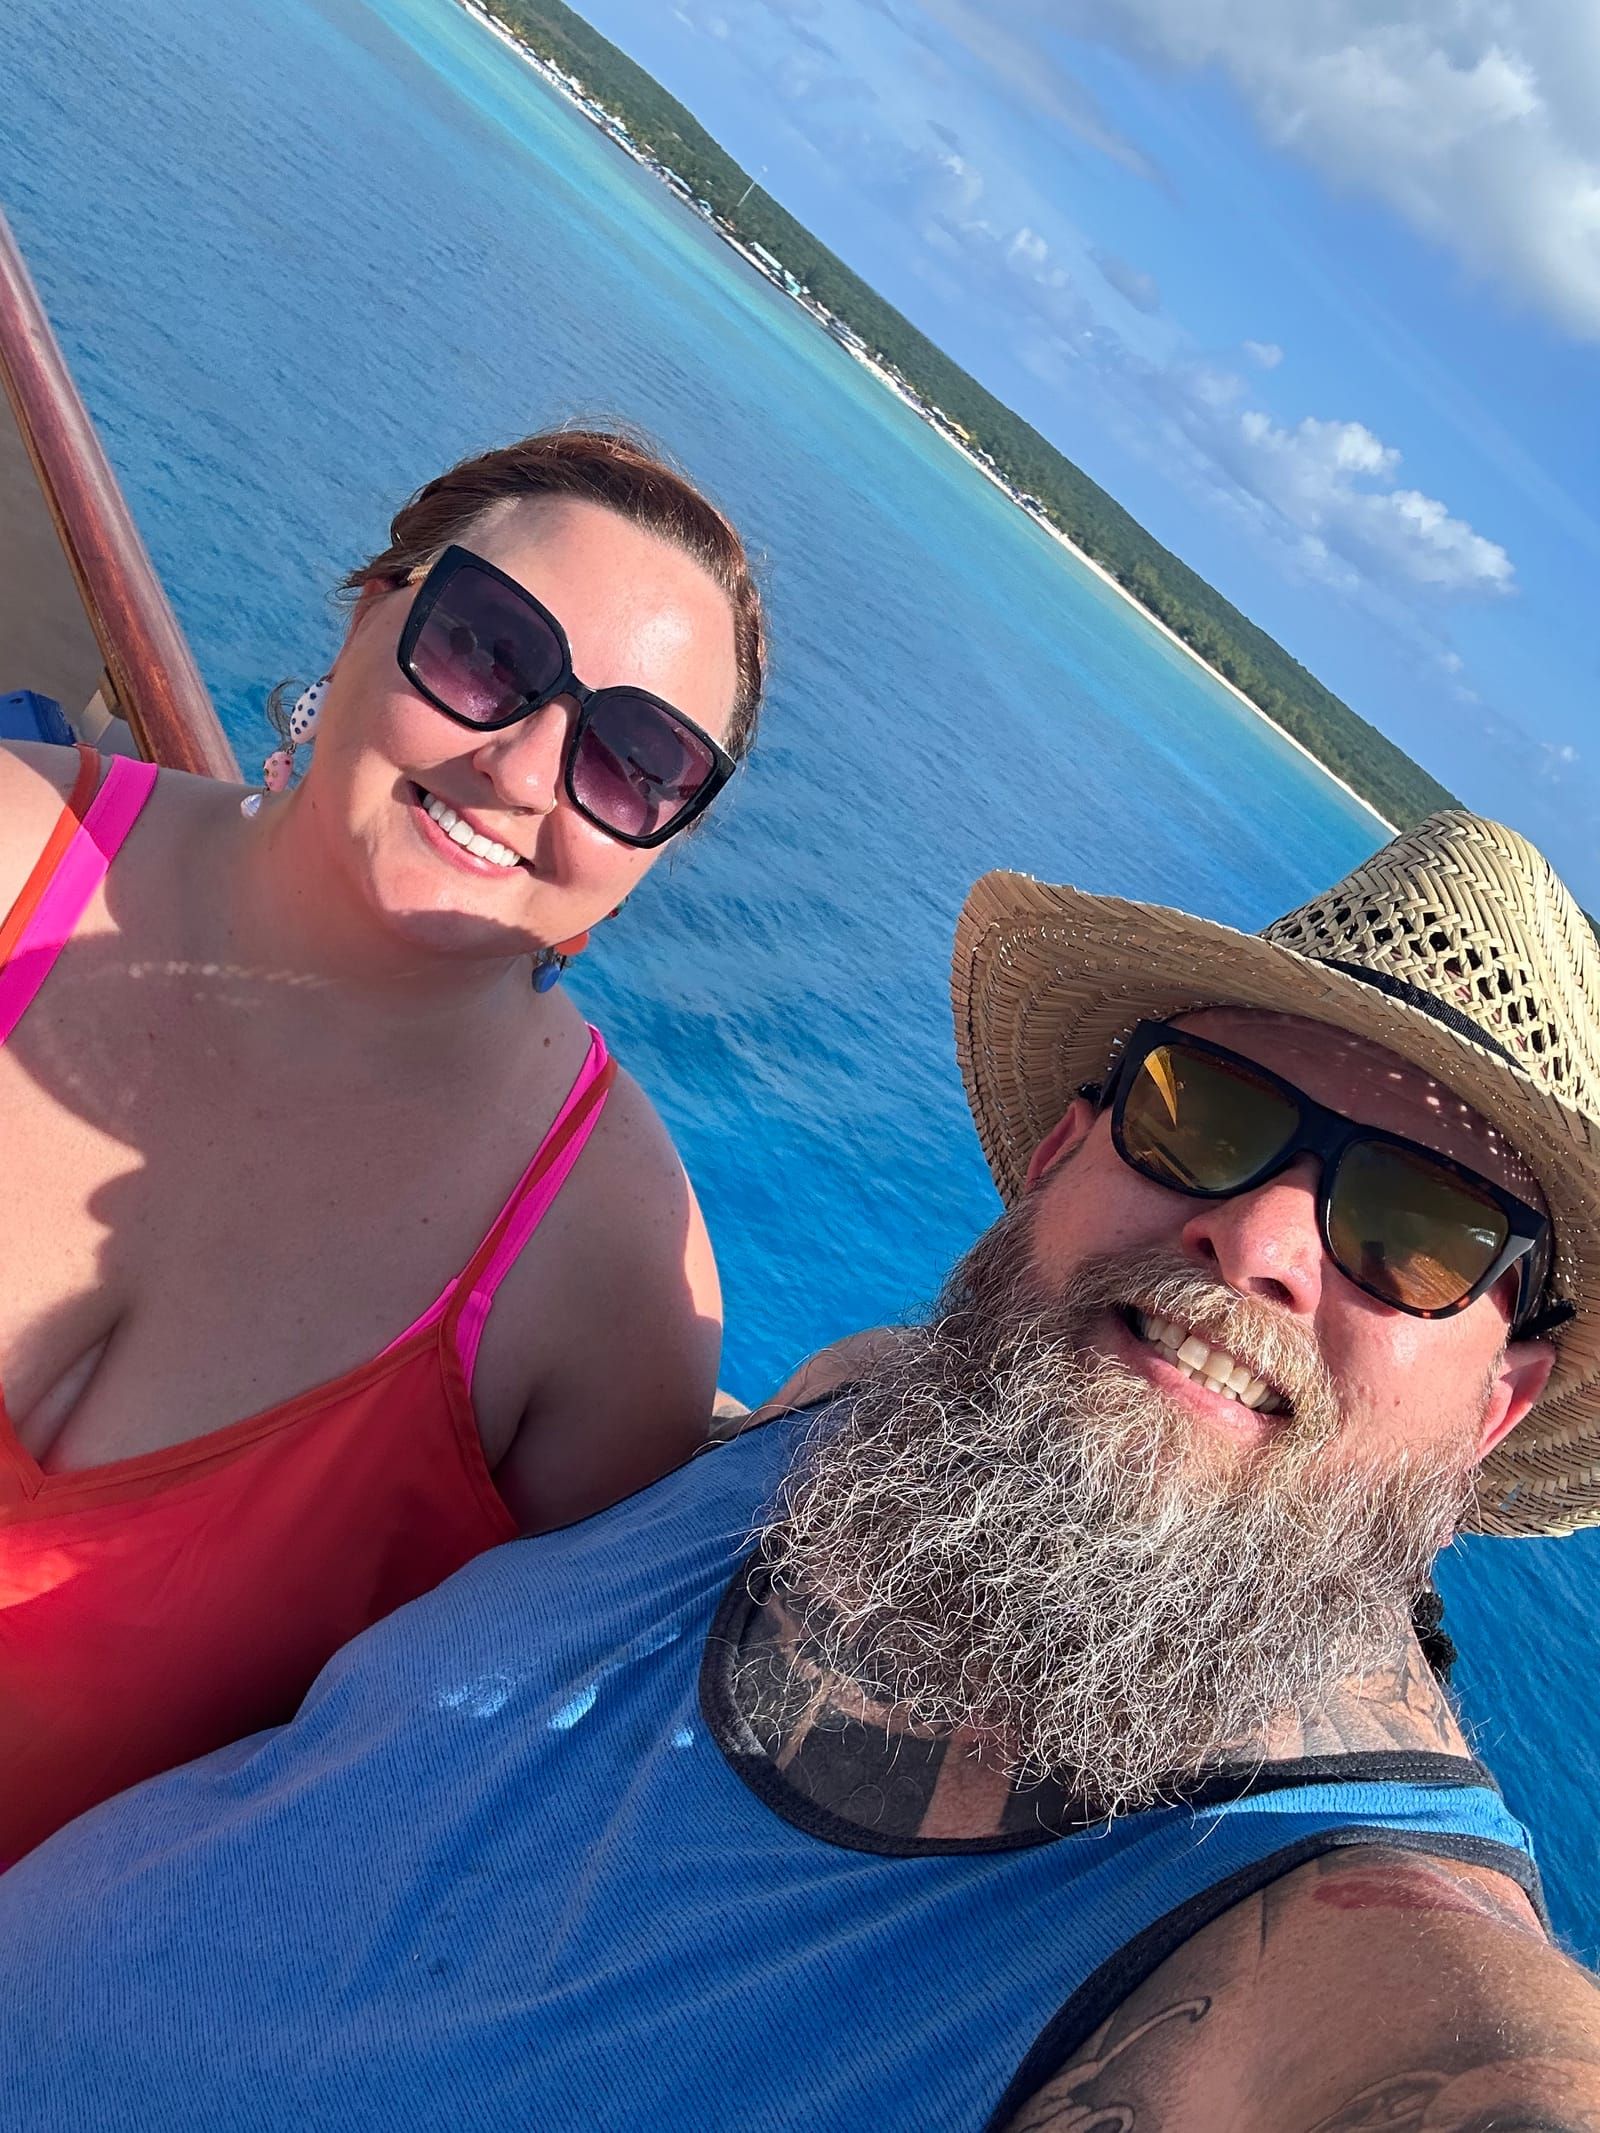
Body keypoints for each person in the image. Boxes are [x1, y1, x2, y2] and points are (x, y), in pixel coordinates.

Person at [4, 809, 1600, 2132]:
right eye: (1208, 1110)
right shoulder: (870, 1408)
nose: (1257, 1237)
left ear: (1498, 1403)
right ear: (1063, 1151)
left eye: (1417, 1230)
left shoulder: (1332, 1920)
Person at [0, 426, 765, 1862]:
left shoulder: (609, 1288)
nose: (524, 769)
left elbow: (428, 1818)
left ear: (660, 843)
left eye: (632, 759)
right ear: (371, 610)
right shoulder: (10, 845)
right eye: (490, 649)